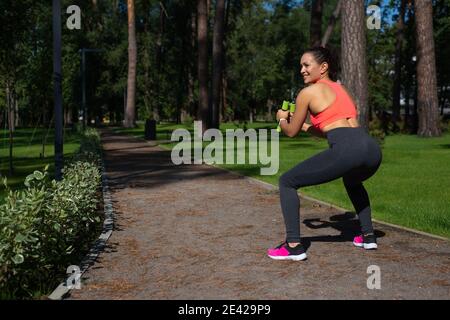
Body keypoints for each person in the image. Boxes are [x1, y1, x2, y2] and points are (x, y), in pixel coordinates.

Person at [268, 47, 382, 261]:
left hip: (348, 149)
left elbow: (290, 132)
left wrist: (283, 118)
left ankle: (293, 246)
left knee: (287, 181)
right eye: (300, 66)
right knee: (352, 181)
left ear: (323, 67)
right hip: (370, 148)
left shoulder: (307, 93)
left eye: (306, 65)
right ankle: (368, 236)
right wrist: (304, 127)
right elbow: (332, 130)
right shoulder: (341, 89)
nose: (302, 70)